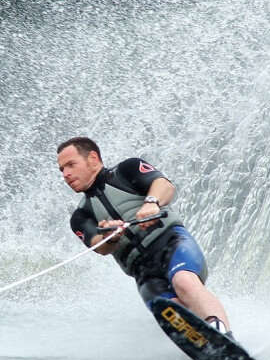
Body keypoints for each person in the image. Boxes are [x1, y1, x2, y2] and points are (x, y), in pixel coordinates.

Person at [56, 136, 232, 336]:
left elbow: (165, 186)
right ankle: (208, 347)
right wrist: (111, 235)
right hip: (144, 273)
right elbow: (99, 246)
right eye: (62, 169)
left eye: (71, 165)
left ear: (93, 158)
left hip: (173, 245)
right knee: (167, 308)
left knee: (183, 282)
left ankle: (224, 333)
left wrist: (151, 202)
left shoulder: (127, 170)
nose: (66, 174)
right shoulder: (80, 216)